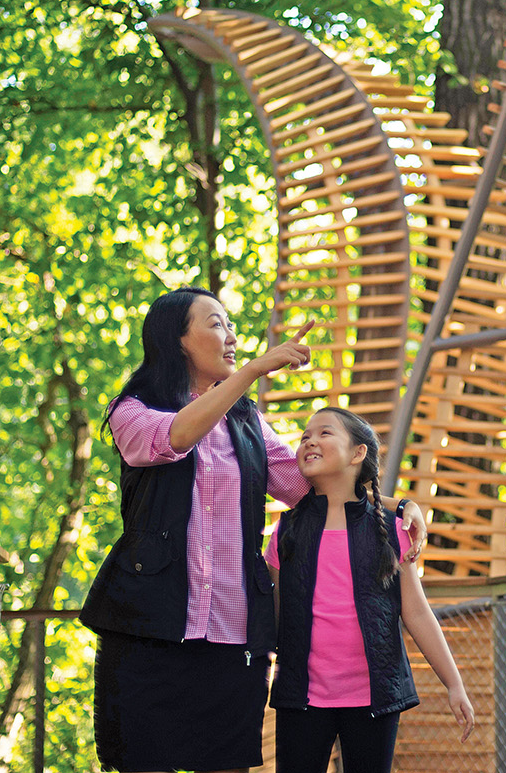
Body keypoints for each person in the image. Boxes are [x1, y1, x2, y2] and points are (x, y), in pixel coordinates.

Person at [79, 287, 427, 773]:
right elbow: (175, 438)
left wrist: (398, 504)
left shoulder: (247, 422)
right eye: (216, 323)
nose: (232, 335)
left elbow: (309, 488)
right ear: (176, 339)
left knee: (227, 764)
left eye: (231, 324)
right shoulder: (133, 411)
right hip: (147, 628)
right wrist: (253, 371)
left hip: (232, 632)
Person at [265, 406, 475, 773]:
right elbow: (275, 616)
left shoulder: (391, 530)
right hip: (301, 698)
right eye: (304, 436)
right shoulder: (285, 532)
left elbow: (417, 612)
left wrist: (454, 683)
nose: (310, 440)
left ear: (358, 453)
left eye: (325, 433)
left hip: (374, 699)